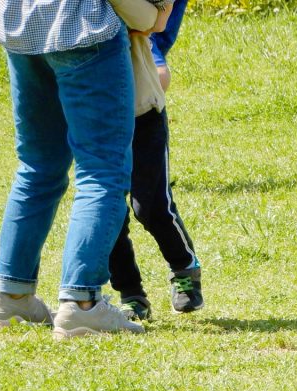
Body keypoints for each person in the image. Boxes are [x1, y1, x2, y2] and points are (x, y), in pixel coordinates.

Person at [0, 0, 168, 338]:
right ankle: (83, 304)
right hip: (81, 23)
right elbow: (154, 18)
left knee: (37, 167)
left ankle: (11, 297)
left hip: (18, 22)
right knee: (103, 170)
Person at [107, 0, 200, 321]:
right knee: (107, 210)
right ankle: (131, 293)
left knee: (150, 205)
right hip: (94, 118)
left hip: (142, 109)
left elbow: (154, 20)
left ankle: (184, 268)